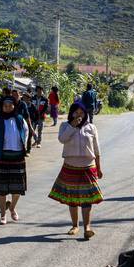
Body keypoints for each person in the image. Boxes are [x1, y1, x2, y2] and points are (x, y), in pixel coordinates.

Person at [50, 101, 102, 237]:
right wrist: (73, 126)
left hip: (88, 166)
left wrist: (99, 167)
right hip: (70, 166)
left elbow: (96, 149)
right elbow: (62, 139)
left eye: (81, 112)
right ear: (71, 113)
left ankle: (87, 227)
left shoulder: (91, 127)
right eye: (76, 112)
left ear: (85, 114)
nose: (79, 115)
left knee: (87, 199)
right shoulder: (65, 126)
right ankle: (75, 226)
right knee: (72, 198)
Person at [0, 96, 29, 225]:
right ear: (2, 107)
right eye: (5, 105)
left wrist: (21, 146)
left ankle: (12, 208)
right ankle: (3, 215)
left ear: (14, 106)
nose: (8, 107)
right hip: (1, 158)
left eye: (10, 105)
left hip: (18, 158)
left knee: (17, 188)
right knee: (1, 189)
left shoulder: (20, 120)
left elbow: (26, 133)